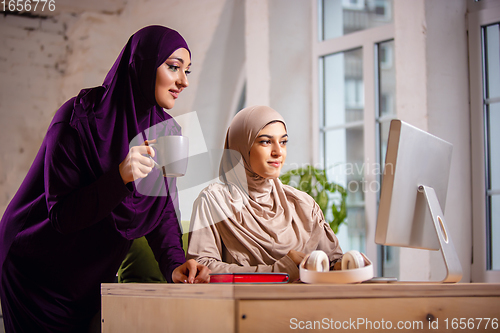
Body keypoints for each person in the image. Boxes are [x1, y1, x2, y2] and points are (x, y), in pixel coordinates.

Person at [0, 25, 210, 332]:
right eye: (173, 67)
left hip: (92, 277)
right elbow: (61, 216)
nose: (183, 81)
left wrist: (175, 266)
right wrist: (121, 176)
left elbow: (162, 211)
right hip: (36, 272)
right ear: (142, 64)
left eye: (187, 70)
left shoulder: (168, 133)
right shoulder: (77, 118)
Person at [186, 105, 343, 282]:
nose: (278, 152)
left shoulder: (303, 204)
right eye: (265, 141)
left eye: (283, 142)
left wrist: (348, 265)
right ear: (241, 147)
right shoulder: (214, 201)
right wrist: (279, 270)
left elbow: (333, 262)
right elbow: (202, 268)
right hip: (244, 306)